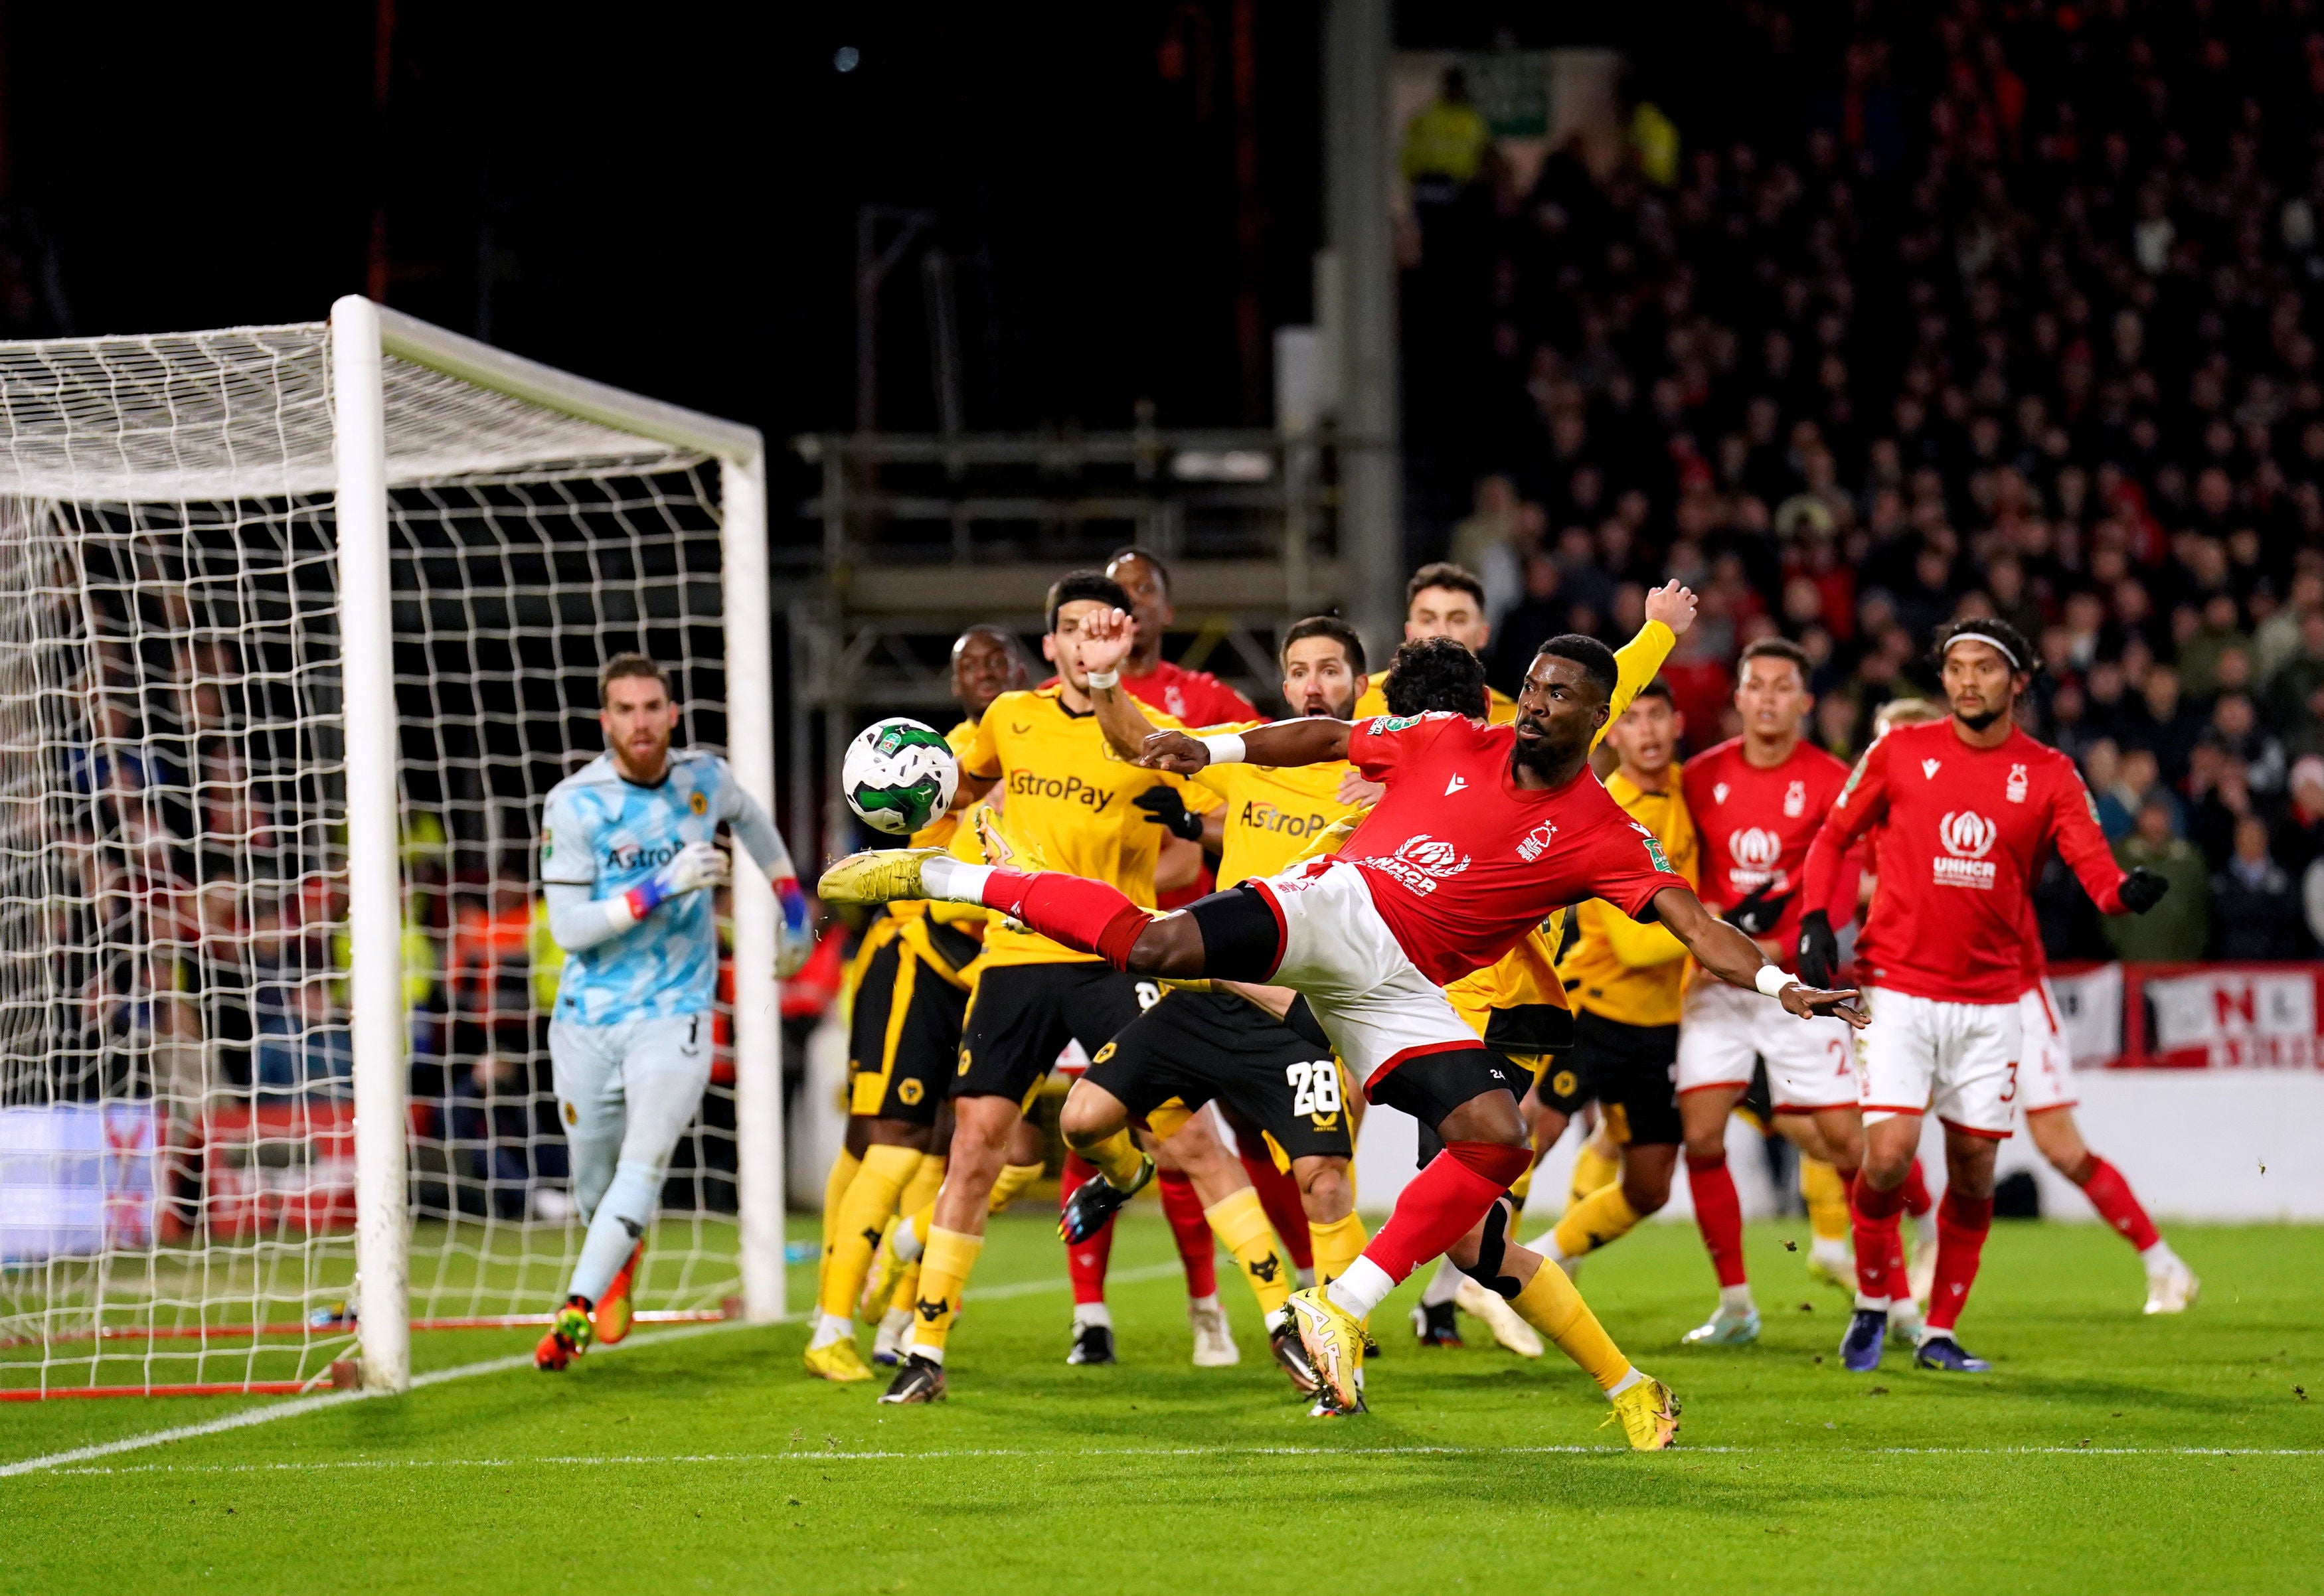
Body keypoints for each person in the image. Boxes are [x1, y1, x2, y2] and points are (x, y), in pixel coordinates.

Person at [822, 631, 1868, 1446]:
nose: (1538, 703)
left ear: (1600, 714)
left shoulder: (1604, 830)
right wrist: (1216, 747)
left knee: (1497, 1141)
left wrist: (1784, 983)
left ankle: (1368, 1311)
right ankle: (951, 872)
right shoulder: (1455, 736)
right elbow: (1324, 739)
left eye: (1561, 694)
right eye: (1535, 686)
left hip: (1403, 988)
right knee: (1154, 946)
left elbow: (1695, 928)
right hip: (1341, 907)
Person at [859, 572, 1232, 1403]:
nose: (1080, 640)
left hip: (1109, 954)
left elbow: (1196, 835)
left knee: (1187, 1138)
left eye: (1095, 627)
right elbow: (956, 792)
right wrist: (902, 788)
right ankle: (922, 1344)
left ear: (1123, 638)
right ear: (1052, 641)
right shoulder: (1007, 720)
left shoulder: (1146, 731)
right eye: (1066, 628)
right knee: (977, 1147)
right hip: (1014, 957)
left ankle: (1265, 1316)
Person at [1799, 618, 2170, 1375]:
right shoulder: (1899, 751)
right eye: (1955, 667)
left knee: (1971, 1171)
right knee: (1889, 1159)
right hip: (1898, 988)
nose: (1967, 680)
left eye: (1984, 668)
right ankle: (1874, 1300)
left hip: (1993, 1002)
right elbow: (1832, 836)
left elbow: (2094, 872)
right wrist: (1813, 920)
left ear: (2018, 681)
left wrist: (2125, 893)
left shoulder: (2050, 773)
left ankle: (1938, 1331)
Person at [1058, 612, 1376, 1396]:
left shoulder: (1390, 777)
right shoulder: (1249, 755)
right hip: (1206, 994)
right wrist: (1104, 680)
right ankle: (1127, 1170)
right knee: (1081, 1121)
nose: (1312, 684)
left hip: (1300, 1013)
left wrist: (1391, 785)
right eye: (1299, 669)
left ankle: (1340, 1362)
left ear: (1360, 685)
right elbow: (1144, 738)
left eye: (1330, 669)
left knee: (1325, 1181)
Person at [533, 653, 815, 1371]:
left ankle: (574, 1310)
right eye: (625, 710)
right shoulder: (574, 804)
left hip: (678, 1007)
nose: (641, 722)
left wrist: (790, 911)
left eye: (652, 707)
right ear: (606, 722)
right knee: (595, 1180)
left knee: (645, 1158)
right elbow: (568, 930)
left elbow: (755, 826)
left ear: (672, 713)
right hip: (588, 1015)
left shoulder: (703, 780)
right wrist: (659, 886)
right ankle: (620, 1260)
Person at [805, 625, 1033, 1382]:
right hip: (916, 960)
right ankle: (831, 1322)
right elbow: (903, 849)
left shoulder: (1038, 751)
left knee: (992, 1154)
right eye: (970, 664)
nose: (986, 673)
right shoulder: (938, 757)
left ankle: (894, 1294)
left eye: (999, 661)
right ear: (954, 682)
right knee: (888, 1140)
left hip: (997, 970)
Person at [1663, 637, 1872, 1346]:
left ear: (1804, 702)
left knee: (1847, 1143)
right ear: (1739, 698)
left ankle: (1885, 1296)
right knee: (1699, 1133)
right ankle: (1734, 1304)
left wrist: (1787, 948)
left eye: (1784, 687)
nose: (1769, 698)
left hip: (1800, 985)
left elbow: (1846, 878)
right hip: (1718, 983)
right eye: (1757, 685)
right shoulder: (1697, 777)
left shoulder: (1829, 778)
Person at [1518, 680, 1697, 1292]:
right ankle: (1462, 1281)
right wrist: (1713, 924)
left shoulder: (1683, 795)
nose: (1646, 731)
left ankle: (1541, 1257)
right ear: (1610, 732)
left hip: (1659, 1025)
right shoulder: (1608, 813)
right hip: (1590, 1013)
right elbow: (1635, 943)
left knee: (1650, 1187)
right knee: (1526, 1138)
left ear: (1678, 725)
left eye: (1658, 716)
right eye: (1634, 719)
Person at [1351, 563, 1519, 724]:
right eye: (1428, 620)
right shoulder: (1358, 702)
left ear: (1483, 634)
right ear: (1409, 633)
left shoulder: (1514, 719)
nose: (1442, 632)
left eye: (1458, 620)